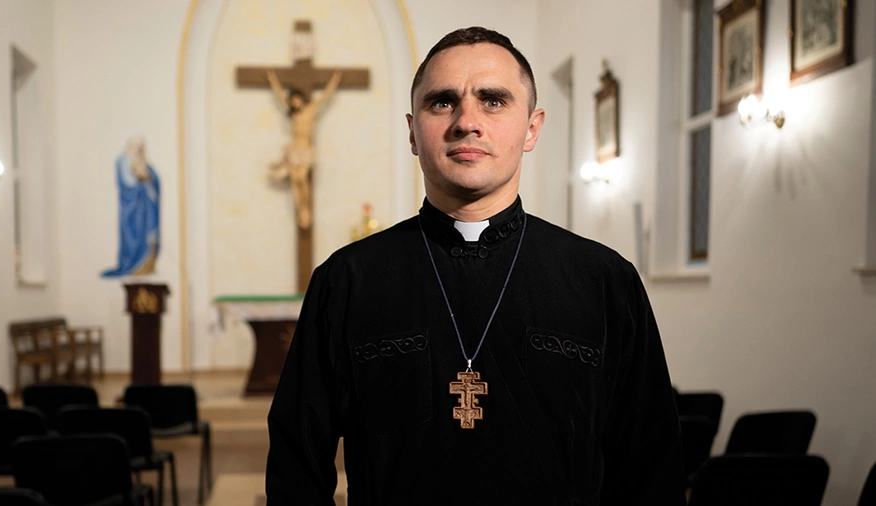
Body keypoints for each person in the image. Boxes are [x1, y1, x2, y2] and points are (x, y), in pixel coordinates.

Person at [266, 27, 685, 505]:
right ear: (411, 132)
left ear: (532, 128)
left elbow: (651, 469)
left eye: (493, 100)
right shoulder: (347, 280)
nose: (467, 121)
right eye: (442, 102)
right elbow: (296, 464)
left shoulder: (604, 280)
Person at [266, 69, 342, 230]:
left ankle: (306, 208)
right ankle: (301, 210)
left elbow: (325, 97)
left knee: (302, 179)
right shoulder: (294, 115)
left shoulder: (310, 110)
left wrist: (334, 80)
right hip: (295, 148)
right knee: (295, 180)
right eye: (292, 101)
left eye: (296, 99)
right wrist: (272, 78)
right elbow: (280, 95)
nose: (295, 103)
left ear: (300, 99)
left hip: (306, 149)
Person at [101, 135, 160, 277]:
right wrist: (137, 179)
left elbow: (155, 181)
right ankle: (129, 264)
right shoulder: (122, 161)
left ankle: (146, 266)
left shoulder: (146, 164)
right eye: (137, 147)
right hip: (131, 209)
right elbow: (124, 184)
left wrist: (147, 177)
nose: (139, 150)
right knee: (130, 234)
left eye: (142, 147)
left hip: (145, 211)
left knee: (146, 235)